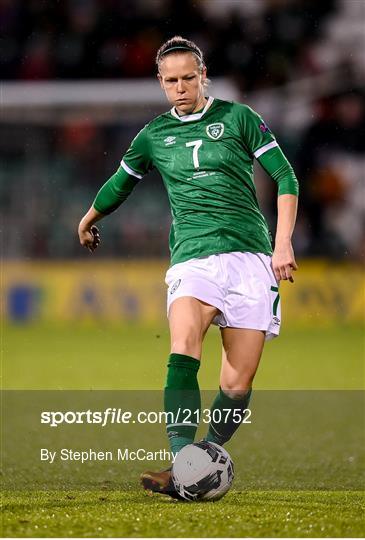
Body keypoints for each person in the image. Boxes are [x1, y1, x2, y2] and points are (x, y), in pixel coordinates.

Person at [78, 36, 299, 499]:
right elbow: (121, 183)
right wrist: (89, 217)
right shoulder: (153, 135)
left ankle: (206, 453)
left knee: (237, 385)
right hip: (192, 258)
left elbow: (285, 176)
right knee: (183, 343)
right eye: (171, 80)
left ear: (203, 76)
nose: (180, 87)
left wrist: (282, 245)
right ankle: (183, 463)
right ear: (160, 82)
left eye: (188, 78)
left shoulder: (239, 118)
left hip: (250, 257)